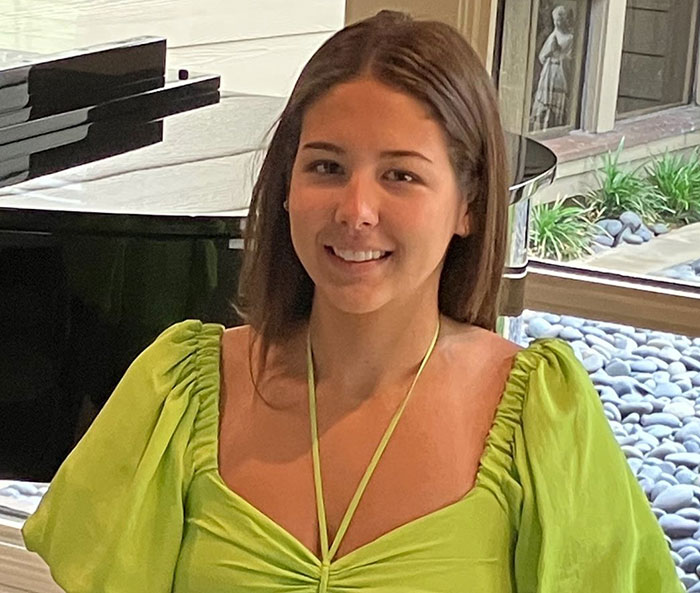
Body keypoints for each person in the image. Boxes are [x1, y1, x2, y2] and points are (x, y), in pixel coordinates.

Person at [22, 11, 682, 593]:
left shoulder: (542, 417)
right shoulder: (178, 393)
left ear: (469, 204)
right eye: (326, 167)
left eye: (401, 174)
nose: (355, 210)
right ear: (285, 187)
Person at [530, 5, 574, 131]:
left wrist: (559, 53)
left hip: (560, 76)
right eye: (555, 20)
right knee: (544, 103)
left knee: (557, 105)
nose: (557, 23)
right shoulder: (553, 36)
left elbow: (570, 60)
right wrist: (550, 52)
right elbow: (542, 56)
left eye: (560, 20)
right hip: (548, 74)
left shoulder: (570, 39)